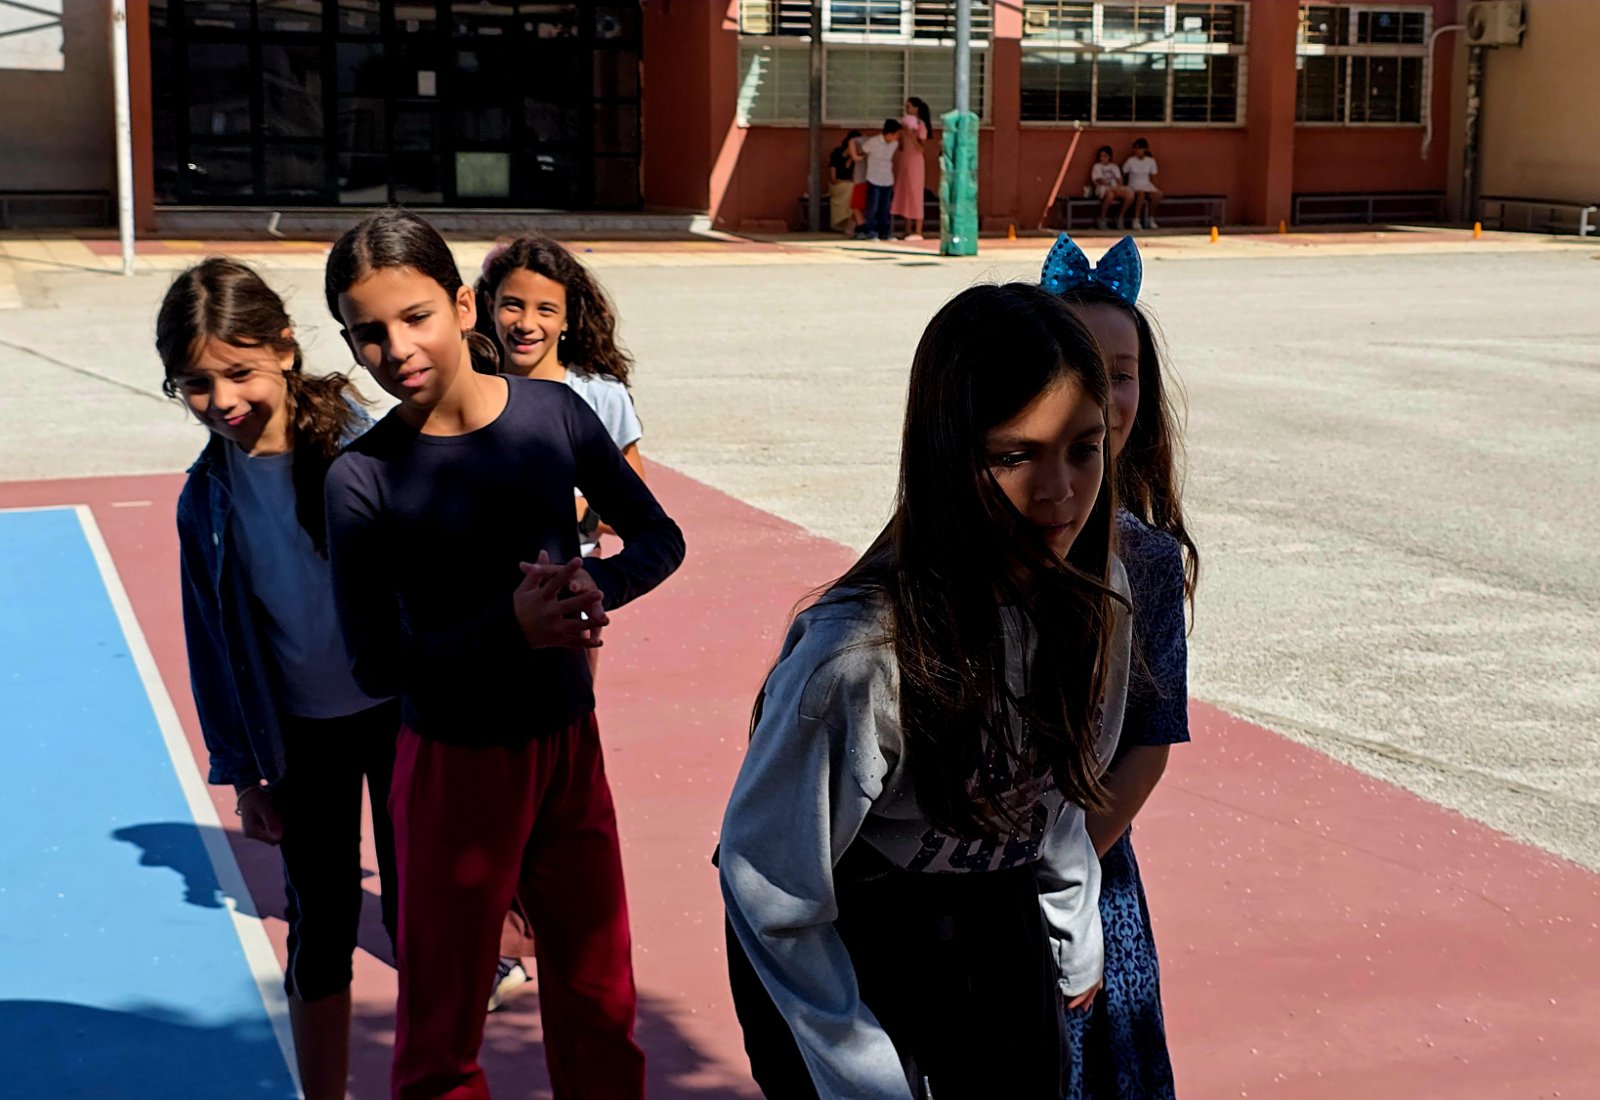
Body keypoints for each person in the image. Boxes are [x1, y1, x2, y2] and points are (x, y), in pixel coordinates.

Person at [720, 282, 1133, 1100]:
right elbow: (773, 887)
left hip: (991, 917)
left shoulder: (1099, 602)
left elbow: (1045, 788)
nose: (1059, 491)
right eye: (1014, 456)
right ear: (947, 453)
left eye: (1084, 448)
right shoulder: (859, 657)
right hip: (849, 941)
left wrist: (1070, 914)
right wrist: (860, 1072)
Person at [321, 209, 686, 1100]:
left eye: (415, 317)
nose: (395, 348)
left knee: (600, 998)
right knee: (442, 1028)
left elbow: (659, 538)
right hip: (451, 764)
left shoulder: (554, 414)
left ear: (461, 306)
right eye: (368, 333)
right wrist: (509, 629)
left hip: (567, 745)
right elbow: (374, 665)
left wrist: (600, 585)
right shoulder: (360, 477)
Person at [161, 257, 401, 1100]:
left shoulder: (371, 449)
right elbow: (213, 645)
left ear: (286, 350)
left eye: (239, 373)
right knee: (320, 926)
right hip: (301, 735)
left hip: (403, 715)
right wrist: (245, 774)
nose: (221, 400)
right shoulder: (205, 499)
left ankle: (439, 1078)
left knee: (424, 917)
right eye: (195, 384)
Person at [1042, 234, 1197, 1100]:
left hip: (1085, 877)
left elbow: (1147, 745)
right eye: (1078, 366)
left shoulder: (1147, 561)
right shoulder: (972, 544)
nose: (1105, 392)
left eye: (1123, 372)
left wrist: (1054, 877)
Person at [855, 118, 901, 242]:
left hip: (887, 178)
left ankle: (884, 232)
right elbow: (862, 151)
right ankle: (870, 231)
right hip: (874, 178)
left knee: (885, 208)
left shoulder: (894, 144)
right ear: (889, 134)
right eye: (896, 134)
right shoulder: (873, 142)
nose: (897, 137)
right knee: (872, 206)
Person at [892, 97, 931, 241]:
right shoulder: (905, 125)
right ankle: (907, 229)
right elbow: (902, 147)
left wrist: (911, 134)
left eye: (909, 106)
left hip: (916, 162)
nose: (906, 109)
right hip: (905, 160)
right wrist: (901, 134)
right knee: (905, 193)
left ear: (916, 108)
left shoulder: (921, 125)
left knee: (915, 194)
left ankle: (918, 230)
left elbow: (921, 148)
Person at [1090, 146, 1133, 231]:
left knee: (1129, 195)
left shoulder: (1114, 167)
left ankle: (1120, 217)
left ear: (1109, 157)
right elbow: (1099, 180)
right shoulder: (1097, 166)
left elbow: (1119, 180)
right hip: (1103, 188)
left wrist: (1118, 187)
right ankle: (1102, 218)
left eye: (1105, 156)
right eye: (1101, 156)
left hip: (1115, 188)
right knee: (1110, 195)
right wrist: (1110, 186)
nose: (1102, 158)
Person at [1122, 139, 1162, 230]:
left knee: (1158, 195)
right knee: (1141, 194)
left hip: (1146, 183)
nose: (1137, 151)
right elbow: (1124, 173)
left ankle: (1151, 218)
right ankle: (1136, 219)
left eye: (1139, 148)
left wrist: (1156, 187)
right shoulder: (1130, 161)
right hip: (1134, 183)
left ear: (1145, 149)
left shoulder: (1151, 161)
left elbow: (1153, 176)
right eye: (1135, 148)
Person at [829, 131, 863, 235]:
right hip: (837, 185)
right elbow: (833, 178)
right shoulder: (836, 154)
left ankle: (852, 221)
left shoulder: (856, 158)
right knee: (851, 188)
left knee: (856, 189)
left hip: (850, 185)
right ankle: (847, 221)